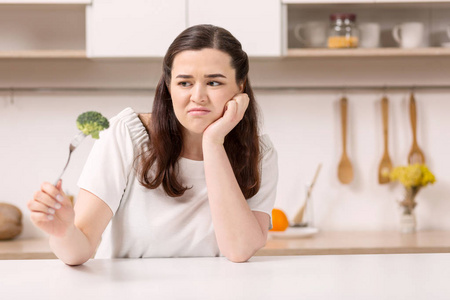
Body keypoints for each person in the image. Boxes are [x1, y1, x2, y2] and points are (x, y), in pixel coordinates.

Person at [27, 24, 278, 265]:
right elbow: (80, 249)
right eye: (184, 83)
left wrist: (213, 142)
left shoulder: (259, 154)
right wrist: (63, 232)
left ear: (240, 85)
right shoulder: (126, 135)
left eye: (214, 82)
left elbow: (239, 249)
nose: (198, 96)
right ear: (169, 86)